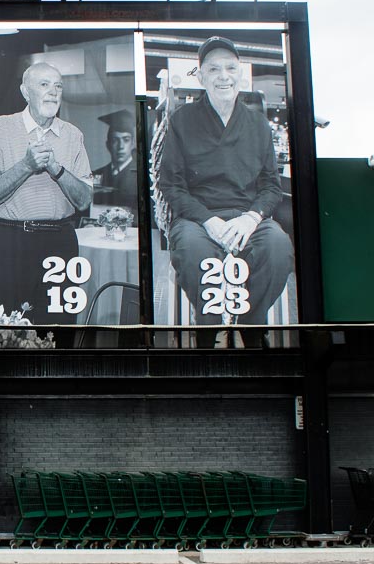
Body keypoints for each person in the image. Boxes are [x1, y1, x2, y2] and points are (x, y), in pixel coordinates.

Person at [158, 36, 293, 347]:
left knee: (277, 246)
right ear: (201, 76)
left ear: (241, 75)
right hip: (197, 220)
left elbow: (271, 186)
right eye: (214, 69)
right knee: (194, 252)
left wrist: (250, 219)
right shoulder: (182, 120)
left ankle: (249, 324)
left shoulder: (258, 124)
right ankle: (209, 334)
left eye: (231, 68)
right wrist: (208, 220)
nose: (223, 76)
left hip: (246, 218)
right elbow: (171, 185)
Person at [0, 62, 93, 325]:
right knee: (6, 327)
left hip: (60, 242)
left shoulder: (73, 135)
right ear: (25, 92)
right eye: (44, 85)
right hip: (9, 242)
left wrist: (56, 168)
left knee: (59, 326)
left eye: (58, 86)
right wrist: (26, 165)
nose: (53, 92)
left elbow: (84, 200)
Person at [91, 109, 138, 214]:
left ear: (133, 144)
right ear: (108, 145)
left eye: (126, 140)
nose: (121, 146)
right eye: (115, 140)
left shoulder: (140, 175)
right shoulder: (96, 174)